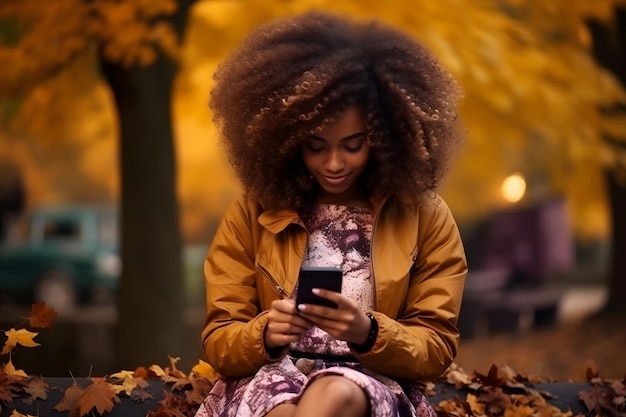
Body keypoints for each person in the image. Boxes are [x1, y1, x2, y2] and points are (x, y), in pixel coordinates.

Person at [196, 10, 468, 417]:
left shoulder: (424, 215)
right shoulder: (254, 210)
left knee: (334, 395)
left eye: (353, 145)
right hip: (273, 379)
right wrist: (266, 333)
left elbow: (436, 346)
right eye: (316, 146)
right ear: (286, 139)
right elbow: (220, 339)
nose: (334, 163)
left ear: (384, 138)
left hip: (370, 381)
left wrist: (368, 332)